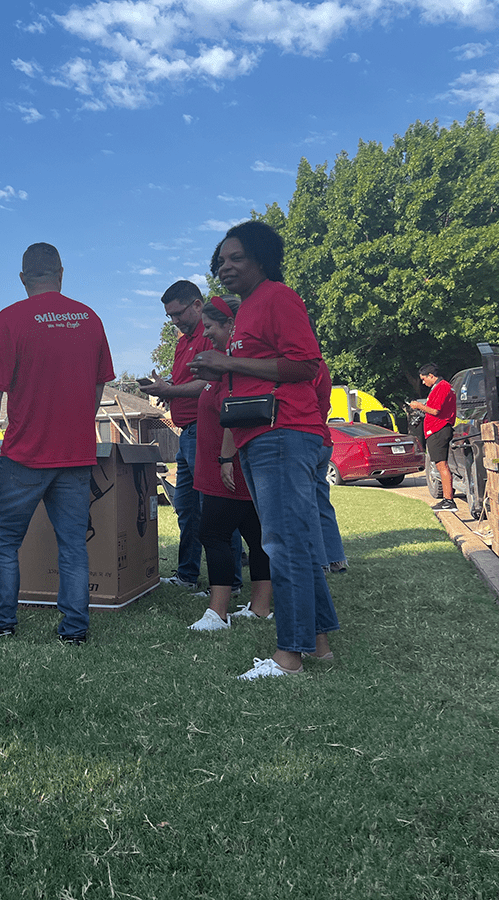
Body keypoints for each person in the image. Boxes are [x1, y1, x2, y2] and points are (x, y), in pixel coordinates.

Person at [191, 221, 339, 679]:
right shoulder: (249, 308)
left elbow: (305, 364)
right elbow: (257, 369)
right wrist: (222, 374)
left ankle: (288, 658)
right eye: (221, 259)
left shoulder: (278, 297)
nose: (225, 266)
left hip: (285, 431)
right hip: (260, 434)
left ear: (260, 258)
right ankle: (319, 646)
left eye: (236, 257)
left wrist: (227, 362)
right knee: (292, 540)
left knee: (283, 543)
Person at [0, 242, 114, 645]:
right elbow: (100, 382)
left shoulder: (10, 319)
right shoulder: (90, 318)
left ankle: (0, 625)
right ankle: (74, 631)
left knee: (1, 539)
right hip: (76, 453)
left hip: (25, 454)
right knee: (72, 545)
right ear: (61, 272)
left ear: (22, 278)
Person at [139, 280, 241, 594]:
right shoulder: (183, 342)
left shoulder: (211, 336)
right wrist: (165, 388)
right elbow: (188, 381)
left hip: (207, 430)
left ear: (197, 304)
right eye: (169, 316)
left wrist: (169, 390)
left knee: (215, 506)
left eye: (178, 313)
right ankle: (187, 573)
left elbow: (212, 381)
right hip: (186, 433)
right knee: (186, 507)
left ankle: (231, 581)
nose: (175, 321)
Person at [187, 296, 273, 631]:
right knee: (256, 535)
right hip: (225, 467)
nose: (206, 333)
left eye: (210, 327)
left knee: (214, 533)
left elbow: (234, 415)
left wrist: (225, 458)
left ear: (229, 325)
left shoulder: (238, 368)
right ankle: (261, 607)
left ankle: (218, 613)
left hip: (229, 469)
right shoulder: (227, 367)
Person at [313, 361, 348, 573]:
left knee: (307, 505)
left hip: (308, 439)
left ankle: (320, 561)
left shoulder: (303, 365)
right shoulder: (321, 366)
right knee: (321, 502)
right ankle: (335, 558)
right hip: (323, 439)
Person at [409, 363, 457, 512]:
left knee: (442, 465)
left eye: (424, 379)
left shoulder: (442, 387)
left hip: (439, 430)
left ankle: (449, 500)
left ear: (431, 376)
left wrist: (418, 406)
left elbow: (435, 411)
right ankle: (446, 499)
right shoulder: (437, 388)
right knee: (439, 465)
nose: (423, 382)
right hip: (435, 430)